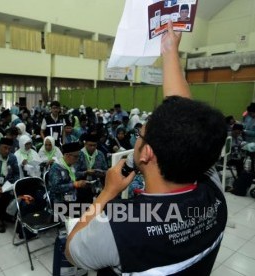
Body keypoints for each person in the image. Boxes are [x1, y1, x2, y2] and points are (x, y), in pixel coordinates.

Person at [65, 21, 228, 275]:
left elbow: (73, 250)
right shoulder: (214, 193)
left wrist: (107, 193)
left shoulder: (120, 226)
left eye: (141, 133)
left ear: (147, 153)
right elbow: (189, 123)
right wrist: (169, 50)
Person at [48, 142, 88, 207]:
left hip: (71, 197)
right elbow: (55, 188)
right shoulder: (56, 168)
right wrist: (74, 184)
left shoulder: (70, 165)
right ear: (67, 155)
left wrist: (85, 174)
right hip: (60, 201)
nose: (77, 159)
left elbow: (72, 176)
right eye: (75, 156)